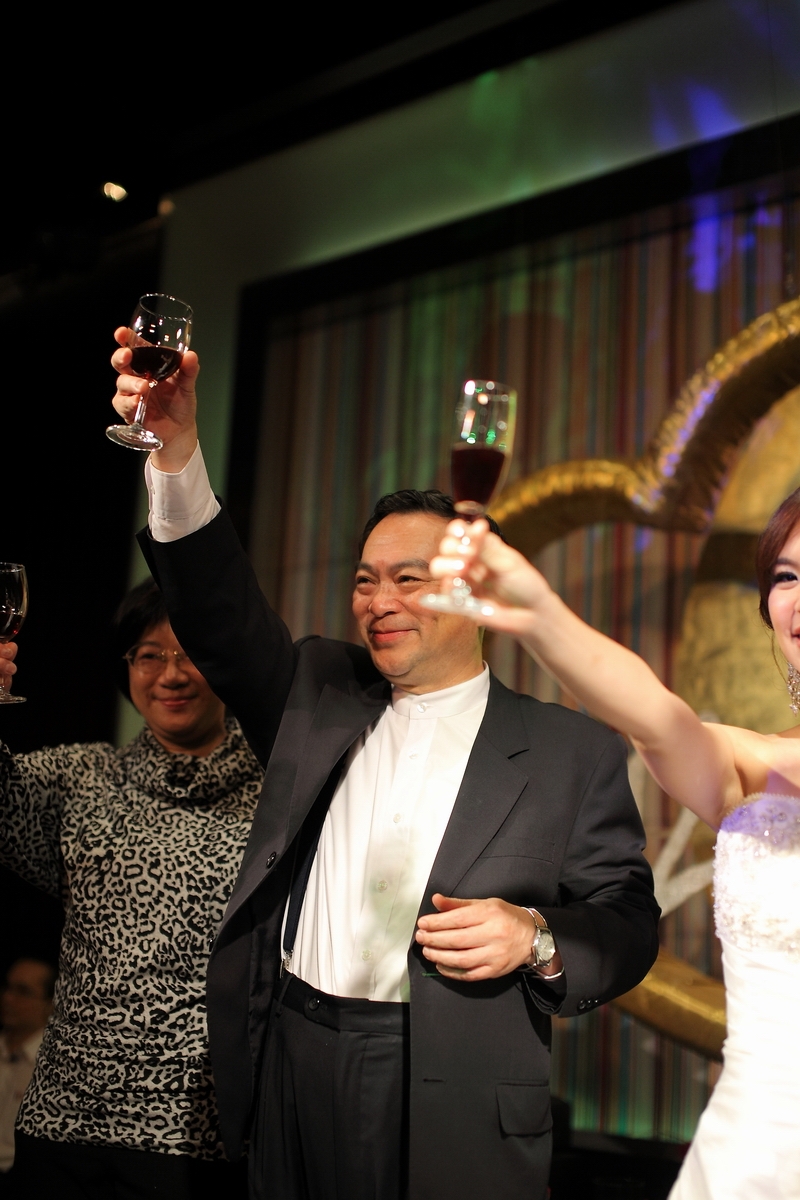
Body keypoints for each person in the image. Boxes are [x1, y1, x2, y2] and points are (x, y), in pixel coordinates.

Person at [111, 335, 660, 1200]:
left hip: (443, 1084)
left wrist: (537, 937)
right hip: (291, 1051)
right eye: (366, 581)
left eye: (409, 578)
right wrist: (175, 452)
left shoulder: (570, 751)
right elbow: (218, 609)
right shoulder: (319, 688)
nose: (379, 601)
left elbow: (628, 919)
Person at [426, 504, 800, 1200]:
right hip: (756, 1150)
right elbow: (655, 719)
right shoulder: (749, 765)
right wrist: (540, 612)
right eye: (786, 576)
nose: (799, 599)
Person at [0, 580, 263, 1199]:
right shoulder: (80, 776)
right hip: (63, 1124)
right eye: (148, 654)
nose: (170, 674)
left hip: (199, 1139)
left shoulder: (276, 794)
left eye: (190, 653)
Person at [0, 958, 55, 1176]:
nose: (8, 998)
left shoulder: (53, 1067)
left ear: (50, 1003)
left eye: (23, 992)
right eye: (8, 987)